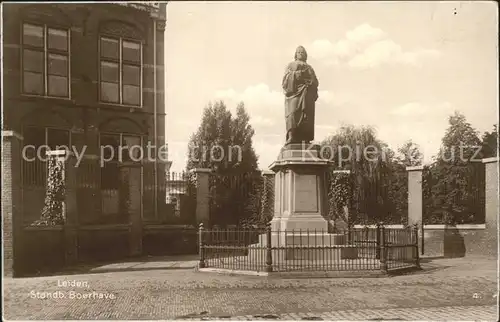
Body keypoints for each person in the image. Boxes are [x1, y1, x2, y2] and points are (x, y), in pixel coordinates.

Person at [282, 46, 319, 145]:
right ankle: (291, 137)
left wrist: (310, 83)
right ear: (295, 54)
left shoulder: (309, 67)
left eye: (302, 52)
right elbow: (285, 81)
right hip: (293, 94)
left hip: (306, 94)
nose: (300, 53)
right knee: (292, 114)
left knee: (305, 116)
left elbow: (315, 81)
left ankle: (305, 139)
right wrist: (298, 74)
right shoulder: (290, 65)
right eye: (298, 52)